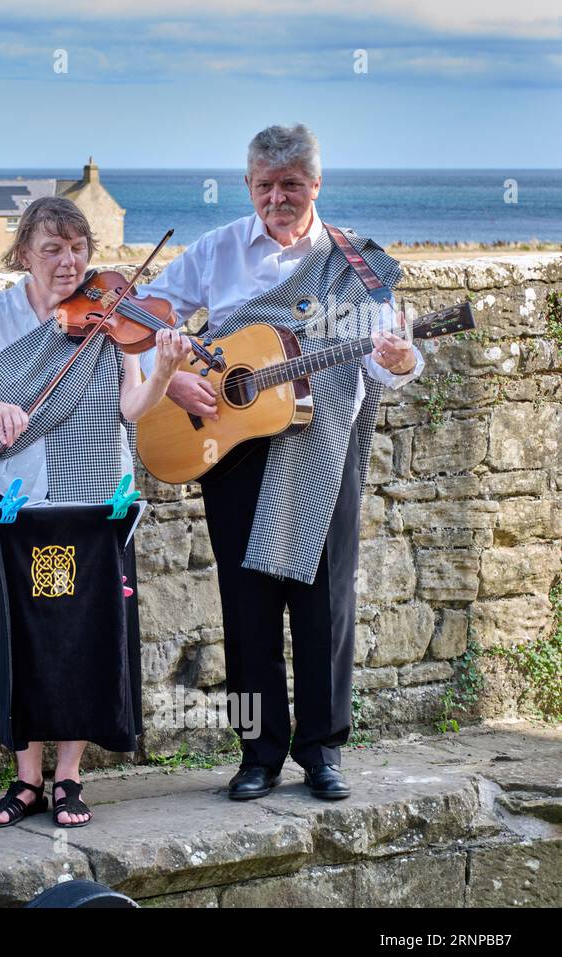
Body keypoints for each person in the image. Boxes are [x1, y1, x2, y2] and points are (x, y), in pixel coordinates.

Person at [138, 124, 424, 801]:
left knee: (325, 603)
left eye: (291, 185)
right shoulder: (218, 250)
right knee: (247, 606)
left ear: (315, 186)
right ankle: (258, 756)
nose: (278, 198)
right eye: (265, 186)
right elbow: (148, 316)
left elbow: (399, 359)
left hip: (326, 444)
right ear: (248, 187)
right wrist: (172, 377)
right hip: (234, 441)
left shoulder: (354, 263)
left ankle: (322, 752)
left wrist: (403, 358)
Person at [0, 196, 189, 828]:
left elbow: (133, 406)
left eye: (78, 248)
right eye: (52, 249)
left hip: (90, 498)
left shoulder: (114, 315)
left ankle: (68, 778)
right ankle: (24, 780)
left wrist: (163, 374)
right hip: (17, 499)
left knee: (77, 633)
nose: (69, 262)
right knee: (22, 634)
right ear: (23, 254)